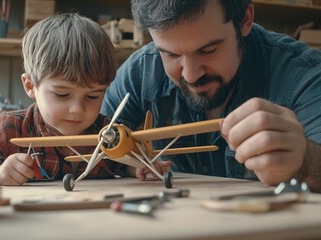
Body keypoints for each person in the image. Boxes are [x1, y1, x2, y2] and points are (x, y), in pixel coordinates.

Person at [101, 0, 321, 192]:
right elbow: (92, 140)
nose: (191, 75)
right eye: (171, 54)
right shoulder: (141, 70)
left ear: (245, 19)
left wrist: (304, 163)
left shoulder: (304, 74)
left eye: (208, 51)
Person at [0, 13, 170, 185]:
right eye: (62, 94)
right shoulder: (7, 130)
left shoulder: (107, 132)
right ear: (30, 86)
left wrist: (139, 167)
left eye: (93, 96)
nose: (77, 109)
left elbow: (122, 163)